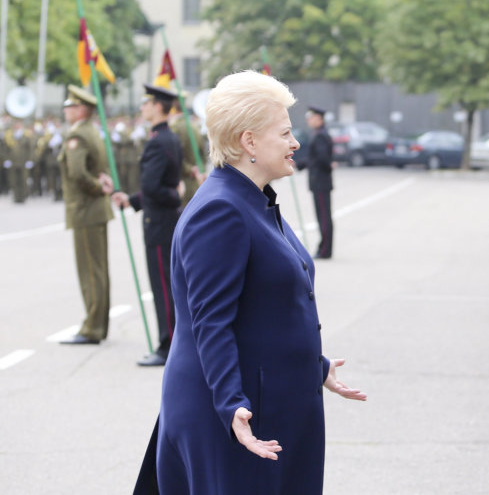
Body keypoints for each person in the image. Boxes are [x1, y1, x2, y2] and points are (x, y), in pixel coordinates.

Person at [151, 71, 366, 493]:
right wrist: (231, 404)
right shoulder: (222, 211)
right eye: (284, 132)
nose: (295, 142)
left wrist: (313, 365)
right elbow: (209, 323)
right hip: (234, 414)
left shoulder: (252, 198)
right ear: (249, 142)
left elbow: (260, 307)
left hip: (267, 402)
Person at [112, 84, 184, 367]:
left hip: (159, 223)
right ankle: (172, 343)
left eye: (146, 103)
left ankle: (167, 346)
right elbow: (160, 186)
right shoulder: (169, 138)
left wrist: (173, 194)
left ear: (157, 106)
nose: (142, 108)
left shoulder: (158, 141)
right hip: (164, 220)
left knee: (163, 285)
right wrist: (130, 200)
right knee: (168, 284)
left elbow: (155, 187)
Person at [58, 85, 114, 345]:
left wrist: (96, 186)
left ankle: (92, 328)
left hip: (85, 209)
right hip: (96, 210)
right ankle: (98, 324)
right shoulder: (91, 131)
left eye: (70, 106)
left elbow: (78, 173)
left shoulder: (78, 136)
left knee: (91, 272)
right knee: (98, 270)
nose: (66, 111)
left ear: (81, 109)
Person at [297, 105, 335, 260]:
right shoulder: (320, 134)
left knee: (324, 217)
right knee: (323, 215)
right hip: (320, 180)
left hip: (320, 181)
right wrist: (299, 164)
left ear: (318, 119)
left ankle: (325, 250)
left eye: (311, 118)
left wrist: (327, 166)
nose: (308, 121)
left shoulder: (320, 136)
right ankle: (324, 247)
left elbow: (322, 159)